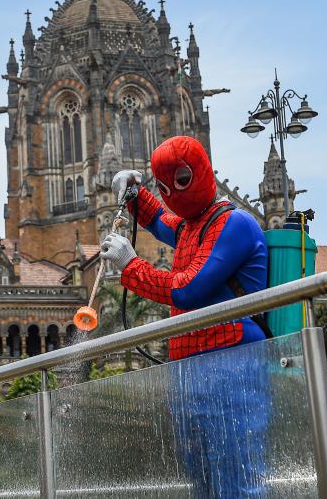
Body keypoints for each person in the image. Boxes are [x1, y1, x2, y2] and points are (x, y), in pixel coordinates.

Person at [100, 135, 270, 498]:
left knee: (237, 476)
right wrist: (135, 194)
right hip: (189, 371)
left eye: (180, 180)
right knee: (203, 479)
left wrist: (132, 265)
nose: (171, 194)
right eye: (163, 187)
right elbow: (163, 221)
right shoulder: (195, 225)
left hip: (231, 362)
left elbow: (188, 289)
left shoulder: (234, 224)